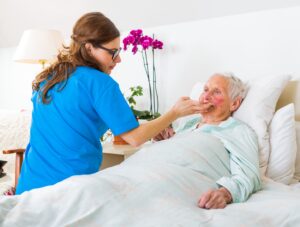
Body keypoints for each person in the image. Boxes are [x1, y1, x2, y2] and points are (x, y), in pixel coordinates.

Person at [15, 12, 202, 195]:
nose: (118, 59)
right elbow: (135, 138)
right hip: (66, 190)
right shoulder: (100, 83)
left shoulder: (50, 77)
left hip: (28, 187)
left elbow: (71, 123)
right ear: (89, 48)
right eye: (113, 52)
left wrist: (151, 127)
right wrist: (174, 113)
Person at [154, 73, 262, 209]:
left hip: (179, 184)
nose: (205, 97)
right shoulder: (187, 124)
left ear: (234, 103)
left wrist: (225, 193)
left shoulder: (238, 131)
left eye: (216, 92)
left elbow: (249, 176)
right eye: (205, 90)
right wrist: (164, 140)